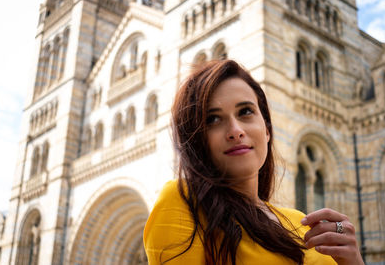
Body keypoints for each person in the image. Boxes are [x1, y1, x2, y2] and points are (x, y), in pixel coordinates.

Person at [143, 60, 364, 265]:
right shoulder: (182, 201)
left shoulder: (300, 222)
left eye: (245, 112)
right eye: (213, 119)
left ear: (267, 130)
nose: (236, 131)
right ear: (197, 139)